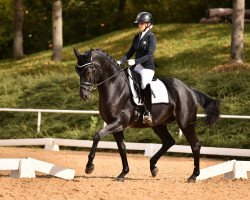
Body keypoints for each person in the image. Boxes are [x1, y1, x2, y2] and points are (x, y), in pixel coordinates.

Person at [117, 12, 156, 125]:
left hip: (147, 67)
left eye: (142, 23)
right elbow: (130, 52)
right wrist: (120, 60)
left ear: (149, 24)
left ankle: (148, 112)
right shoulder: (137, 37)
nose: (140, 25)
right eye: (139, 23)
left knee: (144, 83)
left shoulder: (151, 37)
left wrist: (136, 61)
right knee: (125, 78)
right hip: (136, 66)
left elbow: (150, 55)